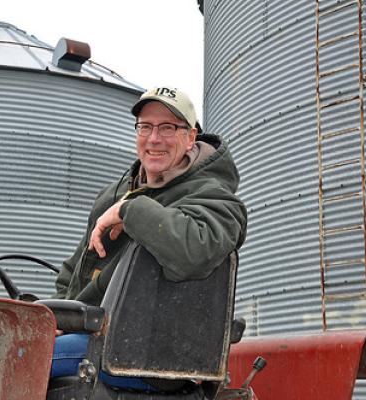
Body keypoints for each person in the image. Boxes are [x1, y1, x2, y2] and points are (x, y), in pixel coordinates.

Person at [50, 86, 247, 387]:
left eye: (168, 128)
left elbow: (194, 251)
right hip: (99, 336)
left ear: (190, 137)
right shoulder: (115, 194)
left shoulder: (214, 197)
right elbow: (75, 268)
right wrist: (56, 320)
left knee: (17, 355)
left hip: (155, 354)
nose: (154, 139)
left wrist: (130, 210)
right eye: (146, 127)